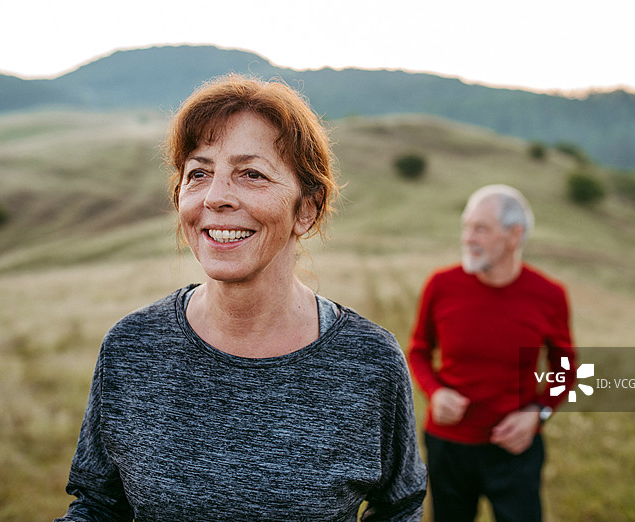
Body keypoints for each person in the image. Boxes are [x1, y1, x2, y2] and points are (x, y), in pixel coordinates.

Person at [55, 74, 426, 521]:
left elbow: (399, 506)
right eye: (199, 173)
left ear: (306, 209)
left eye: (251, 174)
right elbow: (98, 505)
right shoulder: (132, 347)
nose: (216, 197)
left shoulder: (370, 362)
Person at [408, 184, 576, 522]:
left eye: (481, 228)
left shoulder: (549, 295)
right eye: (466, 226)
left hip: (515, 450)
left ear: (514, 235)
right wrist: (435, 391)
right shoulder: (441, 285)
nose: (468, 237)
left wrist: (538, 413)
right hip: (448, 447)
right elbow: (419, 351)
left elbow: (566, 368)